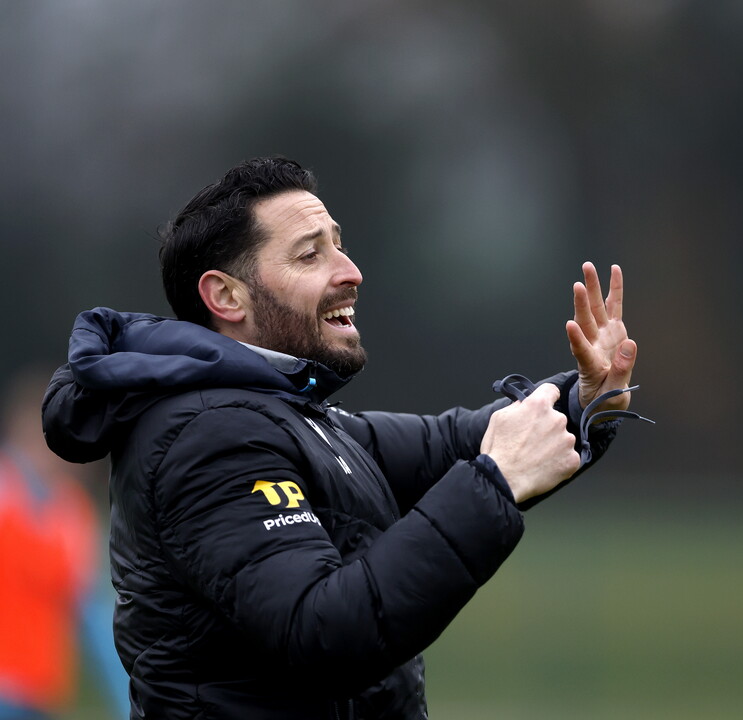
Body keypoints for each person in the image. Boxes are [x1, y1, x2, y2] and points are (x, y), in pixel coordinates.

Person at [40, 156, 643, 720]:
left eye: (339, 244)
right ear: (225, 295)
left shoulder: (277, 412)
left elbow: (448, 443)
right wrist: (493, 483)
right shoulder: (210, 436)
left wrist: (588, 399)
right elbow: (323, 629)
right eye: (309, 256)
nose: (350, 272)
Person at [0, 369, 128, 720]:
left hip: (41, 690)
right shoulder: (6, 494)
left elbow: (94, 614)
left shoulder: (72, 512)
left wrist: (128, 700)